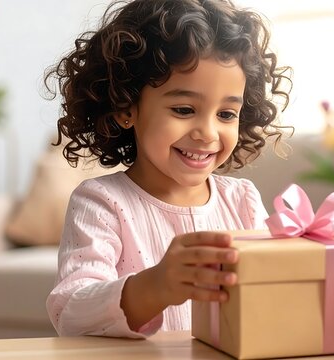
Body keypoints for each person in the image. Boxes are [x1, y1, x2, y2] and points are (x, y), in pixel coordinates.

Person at [44, 0, 291, 338]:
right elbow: (71, 313)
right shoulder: (101, 203)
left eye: (226, 114)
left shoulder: (243, 201)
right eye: (184, 108)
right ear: (125, 108)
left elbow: (274, 298)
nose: (207, 133)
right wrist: (155, 286)